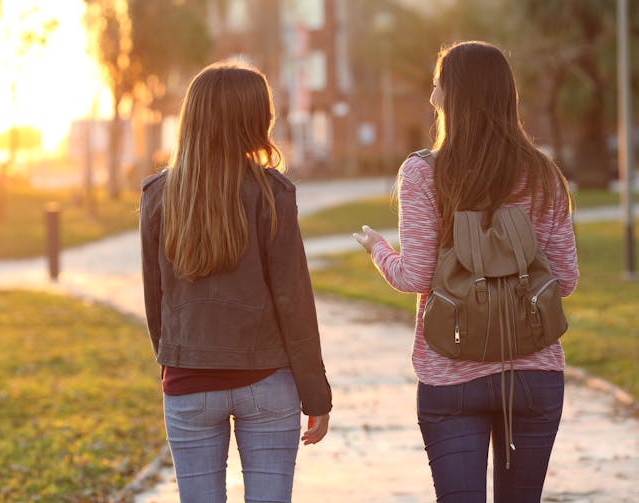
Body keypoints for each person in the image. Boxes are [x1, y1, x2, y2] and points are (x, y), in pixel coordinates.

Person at [354, 41, 578, 502]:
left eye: (437, 89)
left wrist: (378, 249)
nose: (432, 99)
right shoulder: (544, 176)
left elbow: (415, 276)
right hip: (532, 373)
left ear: (450, 98)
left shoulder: (423, 173)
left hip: (449, 373)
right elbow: (566, 280)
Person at [140, 61, 332, 503]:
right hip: (267, 382)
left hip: (189, 384)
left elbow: (156, 303)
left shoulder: (158, 196)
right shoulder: (272, 193)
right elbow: (294, 301)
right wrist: (315, 395)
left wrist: (176, 363)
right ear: (253, 121)